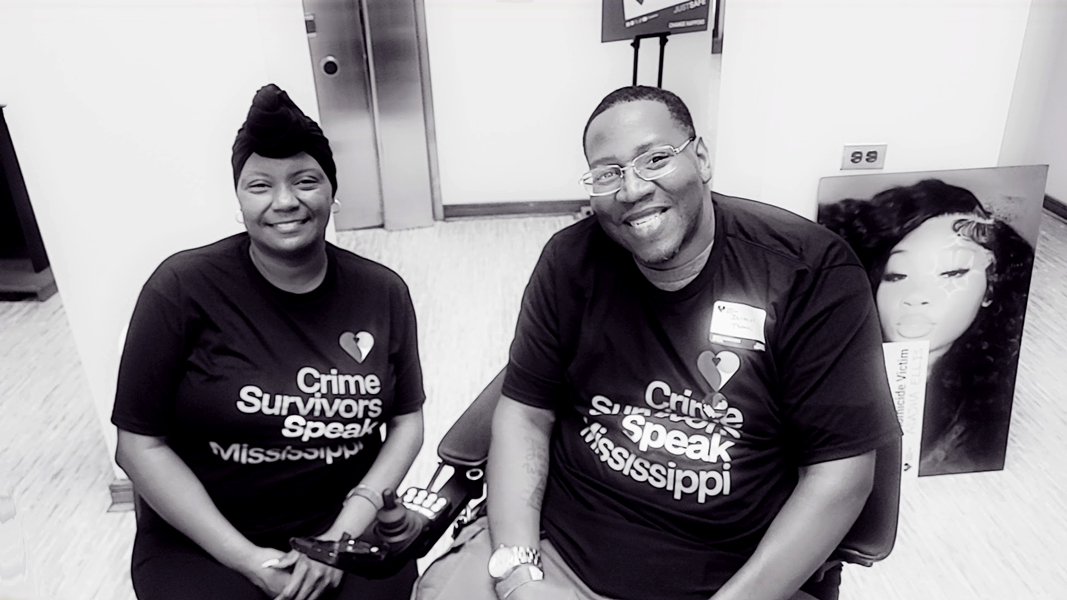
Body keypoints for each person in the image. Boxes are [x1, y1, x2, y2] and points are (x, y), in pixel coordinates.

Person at [414, 86, 900, 600]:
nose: (631, 189)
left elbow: (840, 476)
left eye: (655, 159)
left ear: (702, 158)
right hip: (556, 556)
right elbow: (525, 413)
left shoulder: (808, 273)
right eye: (607, 173)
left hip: (730, 578)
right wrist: (518, 574)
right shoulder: (570, 261)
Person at [111, 84, 425, 600]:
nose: (285, 202)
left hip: (345, 521)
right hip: (205, 536)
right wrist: (250, 560)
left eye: (305, 181)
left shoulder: (382, 292)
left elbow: (407, 422)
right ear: (239, 200)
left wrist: (339, 537)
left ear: (332, 191)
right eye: (260, 185)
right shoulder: (181, 289)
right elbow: (139, 445)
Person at [817, 179, 1035, 475]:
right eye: (897, 275)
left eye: (952, 272)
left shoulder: (996, 420)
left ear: (990, 290)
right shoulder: (825, 380)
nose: (916, 295)